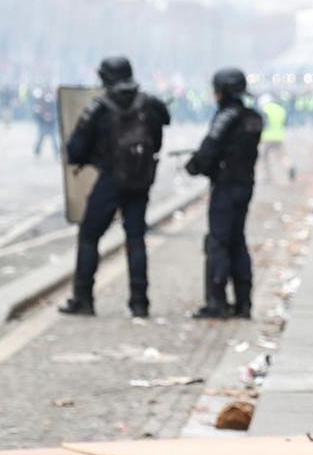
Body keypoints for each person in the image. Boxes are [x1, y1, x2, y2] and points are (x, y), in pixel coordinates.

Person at [59, 57, 170, 318]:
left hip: (110, 179)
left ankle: (83, 299)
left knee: (89, 236)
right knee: (136, 240)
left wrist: (92, 157)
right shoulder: (149, 104)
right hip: (141, 180)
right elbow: (158, 138)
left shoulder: (99, 108)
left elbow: (75, 149)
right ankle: (139, 302)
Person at [185, 68, 263, 319]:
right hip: (245, 184)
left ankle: (217, 302)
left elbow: (209, 149)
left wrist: (195, 166)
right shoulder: (252, 117)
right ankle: (243, 303)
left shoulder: (225, 117)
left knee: (218, 242)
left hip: (226, 186)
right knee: (238, 242)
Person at [259, 95, 289, 182]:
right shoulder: (281, 110)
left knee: (263, 158)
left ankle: (267, 176)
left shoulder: (264, 110)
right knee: (282, 156)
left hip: (266, 137)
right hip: (279, 136)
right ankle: (289, 166)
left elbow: (263, 124)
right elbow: (285, 123)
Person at [32, 87, 59, 159]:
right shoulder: (40, 102)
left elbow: (57, 112)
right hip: (43, 123)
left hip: (52, 124)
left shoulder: (54, 102)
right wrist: (43, 117)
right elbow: (36, 113)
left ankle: (57, 154)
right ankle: (37, 151)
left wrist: (52, 117)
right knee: (40, 138)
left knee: (55, 139)